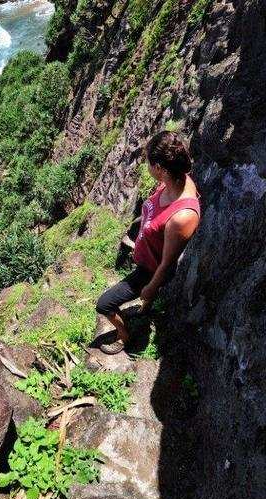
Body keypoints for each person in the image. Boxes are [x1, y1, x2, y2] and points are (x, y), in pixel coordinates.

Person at [95, 131, 201, 354]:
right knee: (135, 297)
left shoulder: (183, 216)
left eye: (149, 163)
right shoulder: (175, 179)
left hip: (150, 270)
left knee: (104, 304)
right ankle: (144, 310)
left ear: (160, 169)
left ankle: (124, 336)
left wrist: (151, 288)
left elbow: (167, 263)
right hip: (146, 255)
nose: (147, 167)